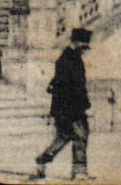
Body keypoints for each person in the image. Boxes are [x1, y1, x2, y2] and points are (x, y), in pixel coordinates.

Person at [30, 27, 95, 182]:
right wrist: (81, 107)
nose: (85, 50)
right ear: (76, 43)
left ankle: (41, 162)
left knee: (64, 137)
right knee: (80, 135)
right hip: (71, 108)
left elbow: (57, 83)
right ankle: (79, 172)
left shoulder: (69, 58)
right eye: (83, 46)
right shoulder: (69, 60)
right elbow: (70, 87)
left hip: (67, 107)